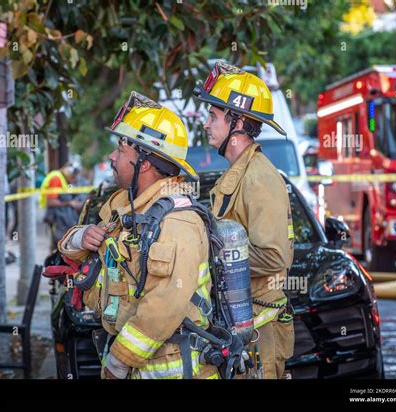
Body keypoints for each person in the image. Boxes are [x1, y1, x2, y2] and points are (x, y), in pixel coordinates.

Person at [57, 92, 219, 379]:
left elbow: (166, 303)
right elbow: (87, 252)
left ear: (143, 162)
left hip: (170, 367)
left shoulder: (178, 222)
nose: (111, 156)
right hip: (134, 361)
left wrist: (119, 361)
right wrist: (79, 238)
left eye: (121, 150)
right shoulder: (121, 204)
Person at [194, 61, 295, 379]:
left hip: (259, 336)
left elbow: (273, 255)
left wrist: (207, 260)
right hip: (240, 328)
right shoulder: (238, 174)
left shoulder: (259, 177)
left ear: (237, 121)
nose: (206, 124)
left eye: (213, 116)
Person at [39, 161, 83, 250]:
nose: (73, 180)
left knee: (60, 244)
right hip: (55, 217)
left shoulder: (62, 178)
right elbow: (50, 202)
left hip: (60, 218)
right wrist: (70, 203)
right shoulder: (56, 178)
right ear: (68, 172)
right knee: (58, 245)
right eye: (73, 177)